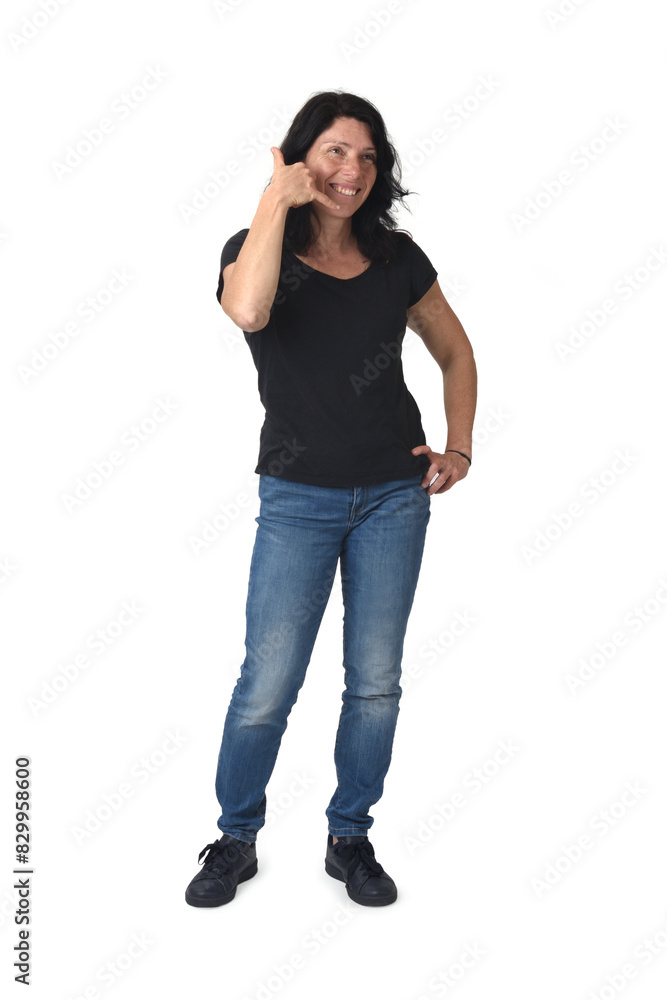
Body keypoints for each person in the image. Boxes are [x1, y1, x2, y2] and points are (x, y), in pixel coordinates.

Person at [185, 90, 477, 909]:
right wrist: (274, 200)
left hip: (393, 495)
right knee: (267, 682)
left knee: (374, 681)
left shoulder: (396, 259)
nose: (352, 170)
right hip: (296, 498)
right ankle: (235, 838)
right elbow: (247, 309)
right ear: (300, 157)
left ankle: (350, 837)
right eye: (335, 151)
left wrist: (457, 447)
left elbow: (456, 352)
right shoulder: (252, 248)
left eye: (367, 156)